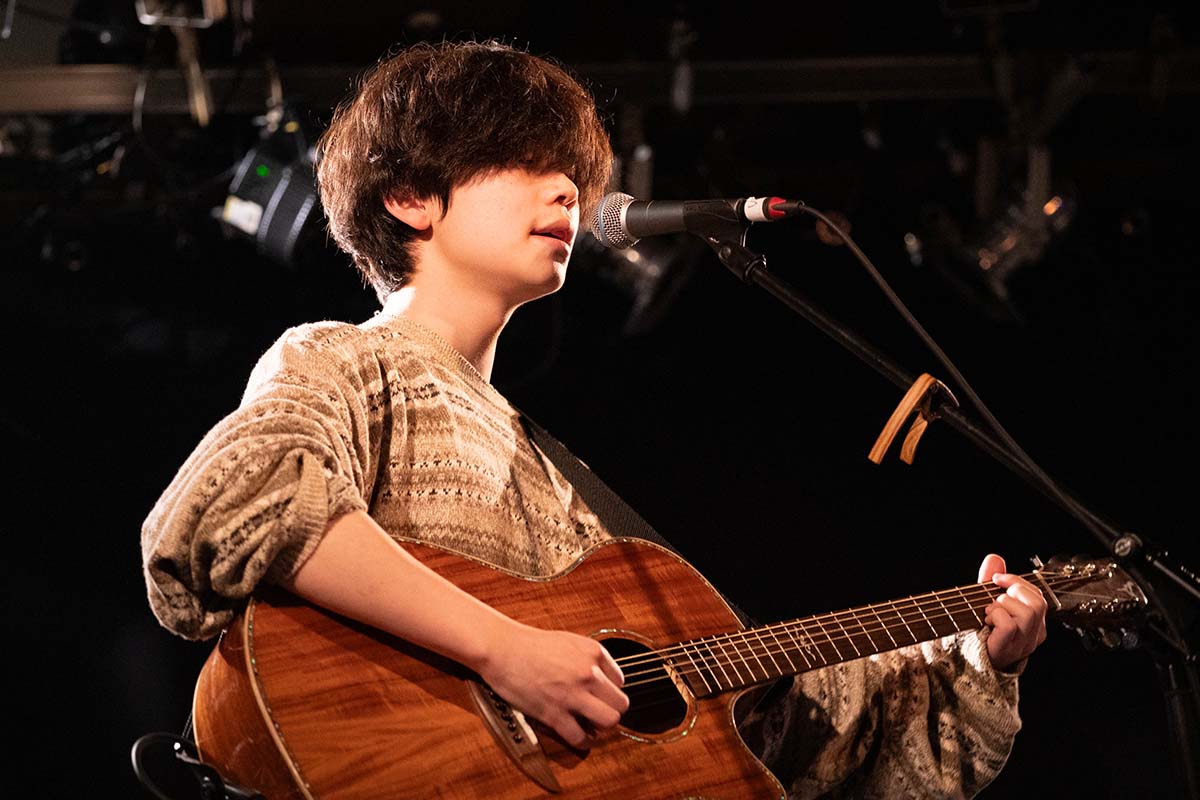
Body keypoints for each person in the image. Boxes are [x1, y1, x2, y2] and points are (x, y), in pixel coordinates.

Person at [141, 39, 1048, 798]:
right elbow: (236, 502)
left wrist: (978, 658)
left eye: (573, 175)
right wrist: (504, 649)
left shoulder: (553, 475)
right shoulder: (345, 360)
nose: (568, 191)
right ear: (411, 196)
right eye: (527, 163)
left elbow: (795, 729)